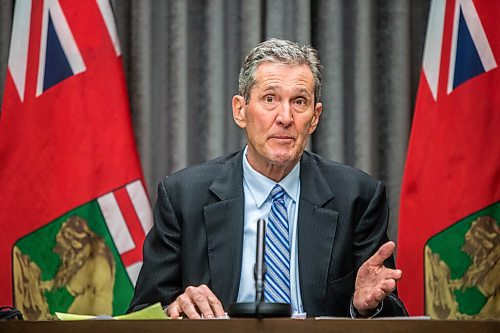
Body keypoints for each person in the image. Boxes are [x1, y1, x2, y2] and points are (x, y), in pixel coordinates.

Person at [129, 38, 406, 318]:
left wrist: (365, 308)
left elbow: (393, 316)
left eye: (299, 101)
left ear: (314, 117)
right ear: (240, 110)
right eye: (270, 98)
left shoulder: (357, 197)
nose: (285, 117)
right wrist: (173, 309)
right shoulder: (183, 197)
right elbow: (142, 312)